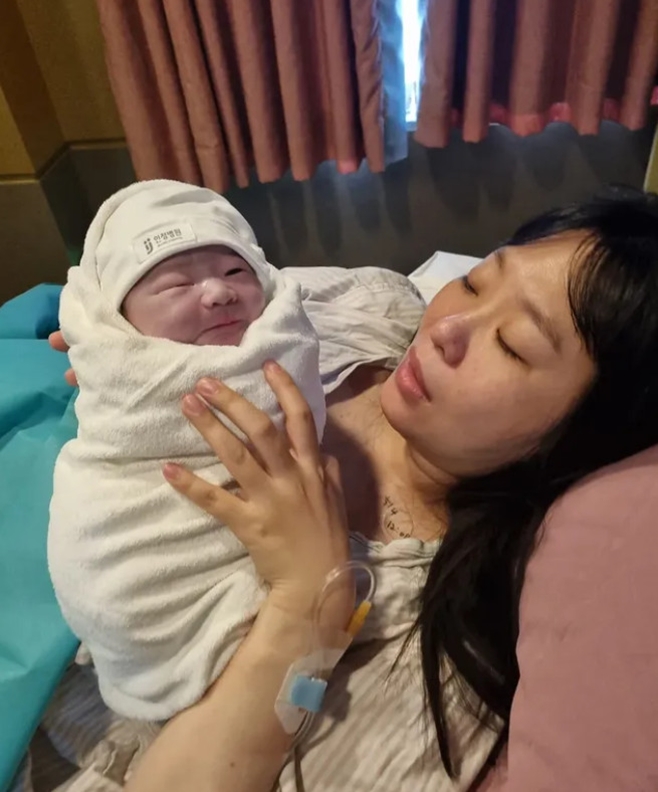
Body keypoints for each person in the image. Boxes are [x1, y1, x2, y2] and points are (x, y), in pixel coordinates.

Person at [46, 187, 658, 792]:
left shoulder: (429, 645)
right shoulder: (369, 311)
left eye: (512, 345)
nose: (447, 325)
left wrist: (303, 604)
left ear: (583, 435)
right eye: (475, 283)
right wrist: (127, 359)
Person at [48, 179, 330, 721]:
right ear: (119, 320)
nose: (219, 292)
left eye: (236, 271)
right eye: (177, 284)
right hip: (131, 544)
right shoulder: (113, 364)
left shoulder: (282, 338)